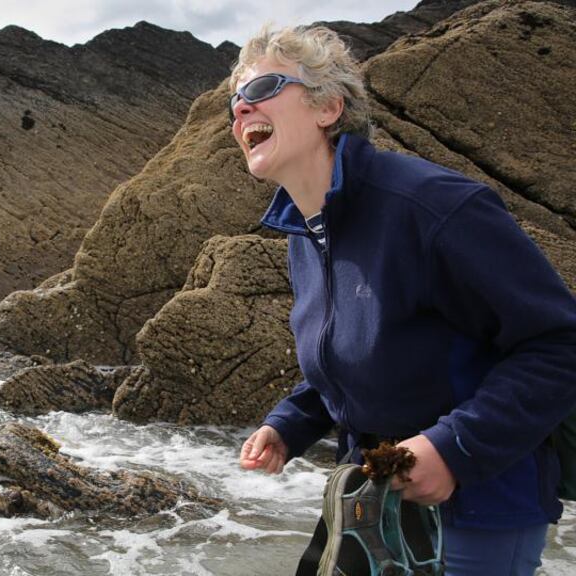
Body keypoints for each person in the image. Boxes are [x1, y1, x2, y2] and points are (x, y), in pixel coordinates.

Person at [230, 25, 576, 575]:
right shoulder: (306, 232)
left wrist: (452, 448)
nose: (241, 110)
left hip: (479, 508)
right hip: (377, 502)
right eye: (235, 101)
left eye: (262, 88)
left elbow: (559, 343)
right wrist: (290, 423)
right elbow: (366, 350)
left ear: (328, 107)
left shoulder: (433, 206)